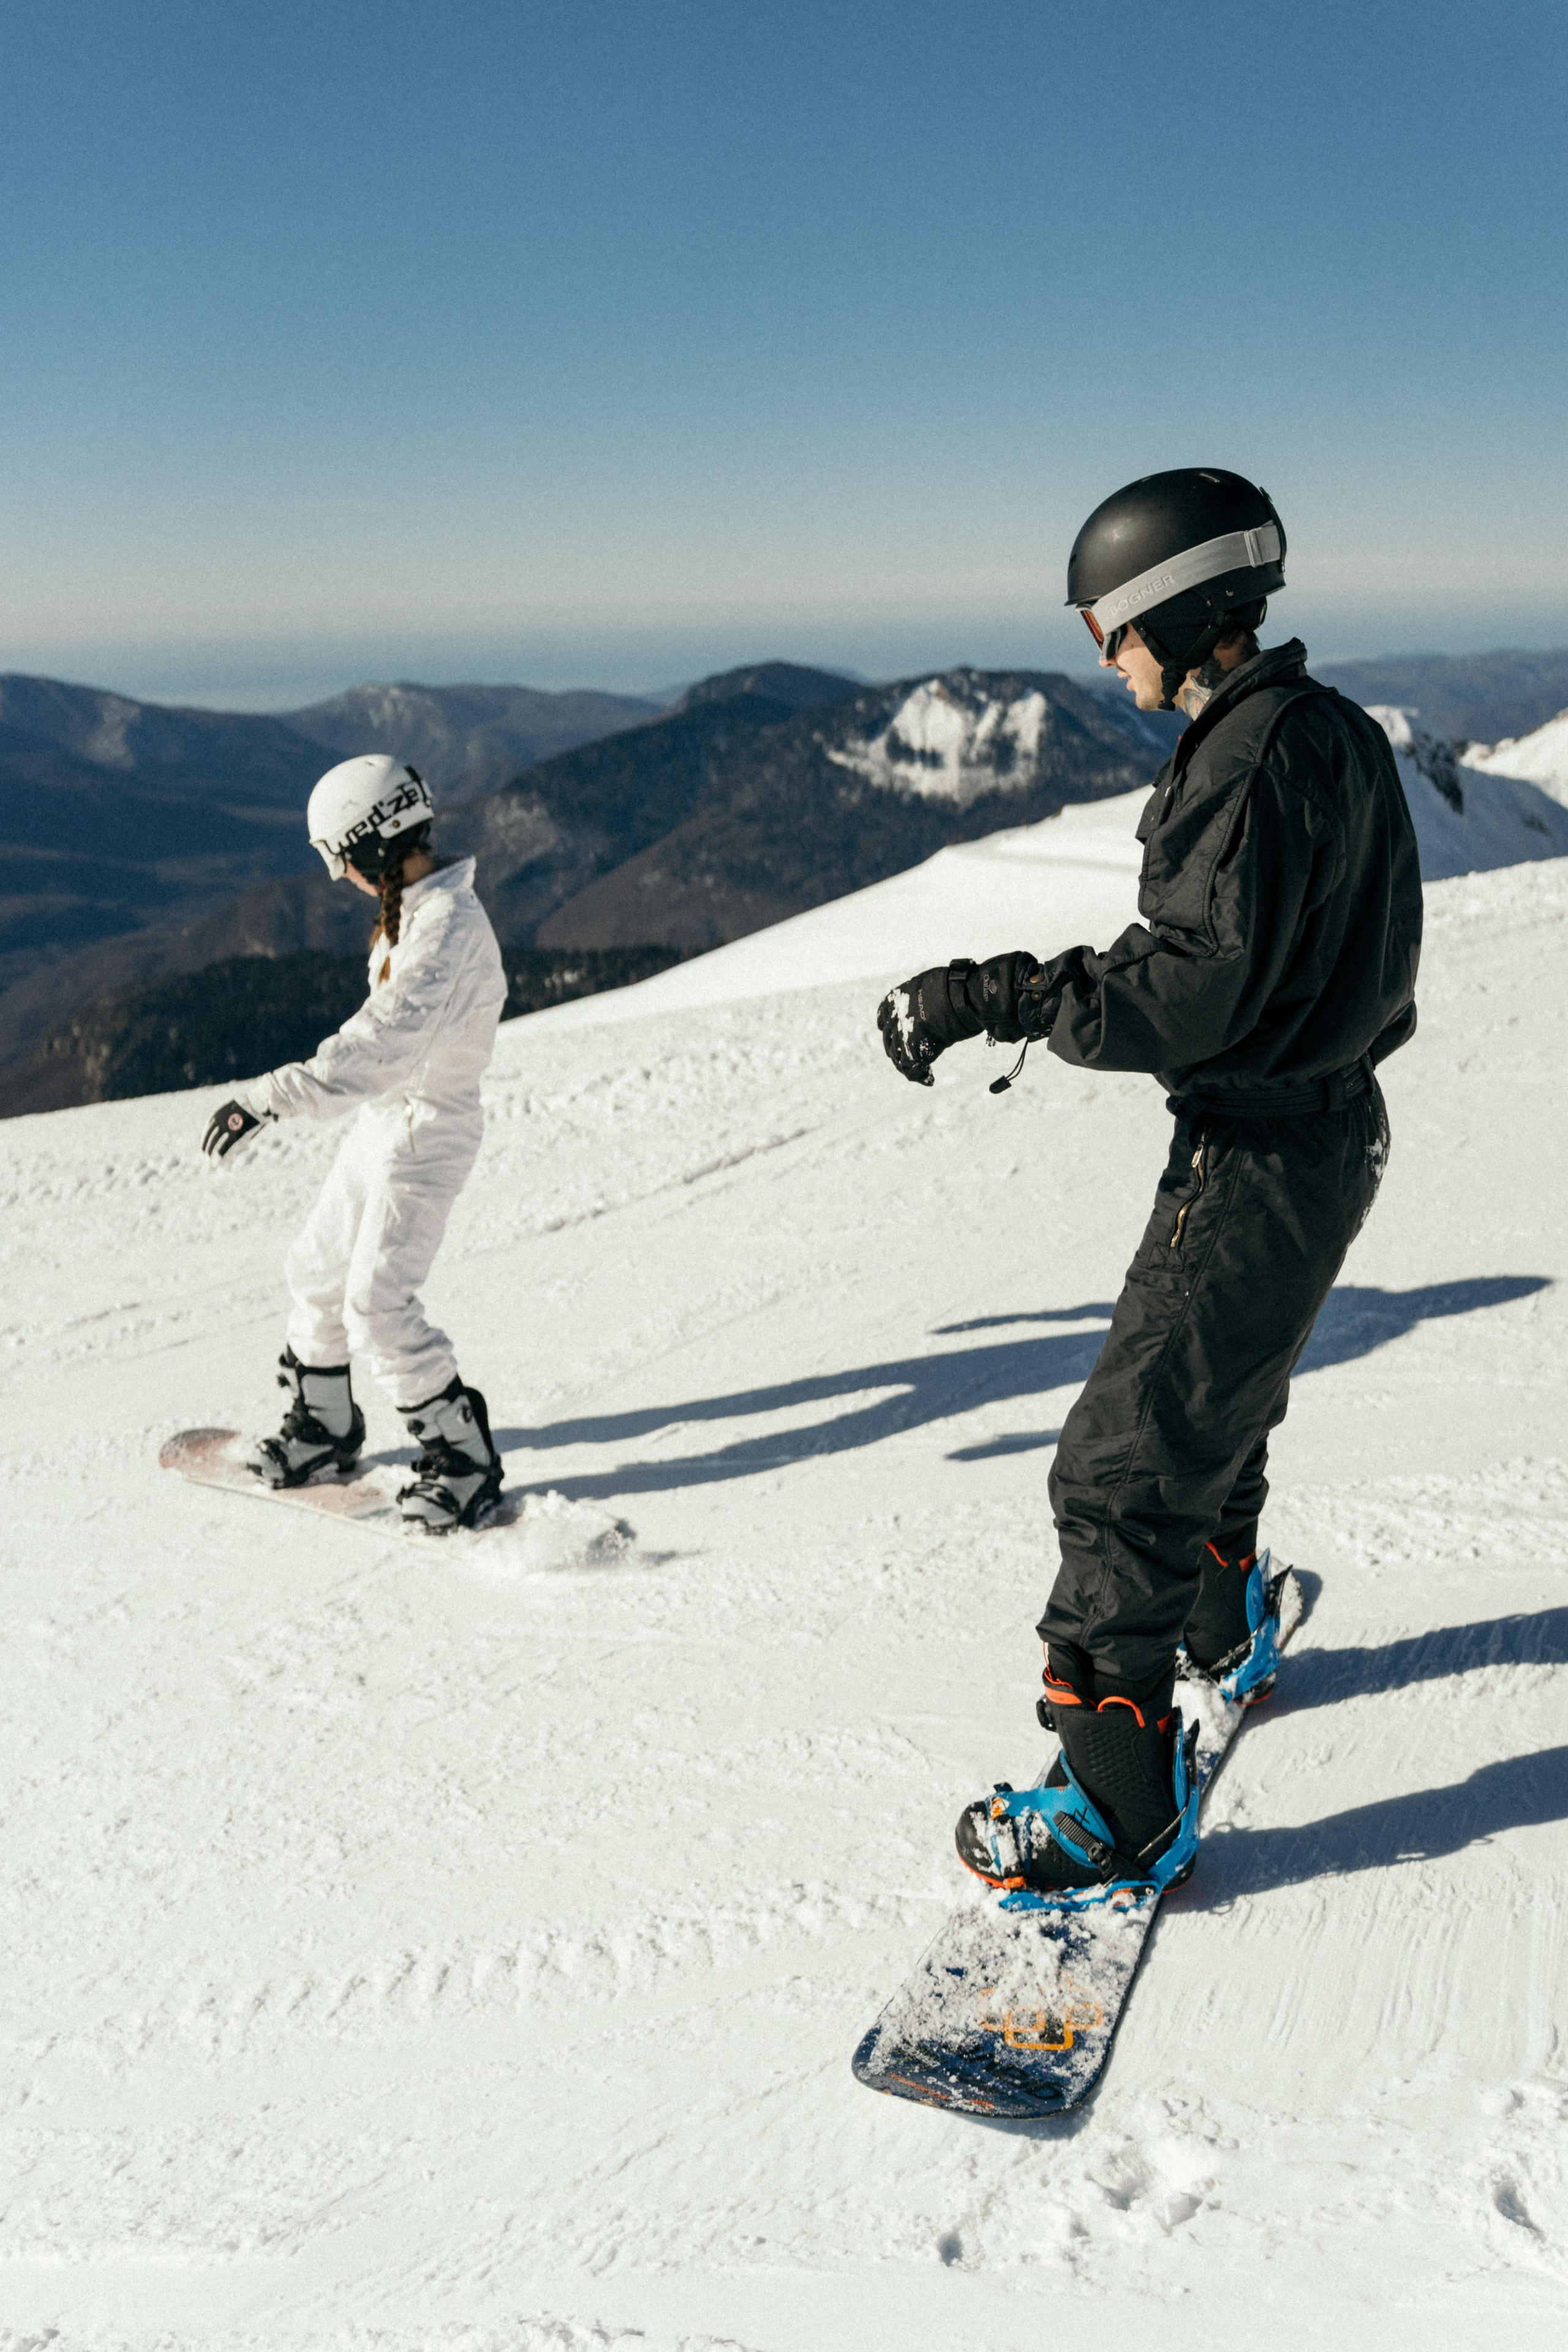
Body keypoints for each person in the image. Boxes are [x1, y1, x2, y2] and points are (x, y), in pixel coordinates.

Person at [876, 467, 1422, 1897]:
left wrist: (997, 994)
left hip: (1254, 1152)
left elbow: (1189, 988)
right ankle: (1222, 1615)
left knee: (1115, 1474)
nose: (1100, 656)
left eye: (1107, 628)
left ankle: (1110, 1809)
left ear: (1177, 611)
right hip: (1328, 1129)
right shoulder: (1331, 733)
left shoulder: (1242, 762)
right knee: (1214, 1393)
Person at [201, 753, 508, 1534]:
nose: (339, 878)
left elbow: (380, 1045)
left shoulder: (444, 935)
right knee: (315, 1270)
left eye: (339, 859)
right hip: (388, 1124)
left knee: (378, 1302)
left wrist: (270, 1097)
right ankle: (325, 1426)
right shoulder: (419, 913)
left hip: (427, 1133)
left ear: (372, 846)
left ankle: (464, 1460)